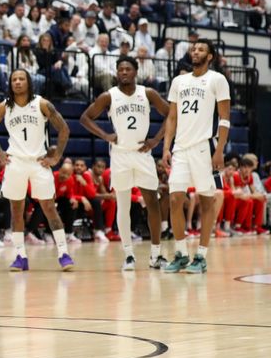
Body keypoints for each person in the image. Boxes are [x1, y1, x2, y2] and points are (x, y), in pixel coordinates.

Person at [80, 56, 170, 270]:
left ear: (135, 71)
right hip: (120, 155)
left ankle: (156, 255)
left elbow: (170, 114)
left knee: (153, 203)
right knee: (123, 204)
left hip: (142, 154)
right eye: (120, 69)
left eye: (128, 69)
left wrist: (156, 140)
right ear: (116, 72)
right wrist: (106, 135)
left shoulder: (147, 93)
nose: (124, 72)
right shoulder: (108, 96)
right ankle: (128, 255)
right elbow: (85, 118)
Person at [0, 69, 73, 271]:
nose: (17, 82)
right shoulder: (3, 107)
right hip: (15, 163)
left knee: (49, 208)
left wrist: (57, 156)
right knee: (16, 211)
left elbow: (64, 128)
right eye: (14, 79)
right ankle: (20, 256)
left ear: (28, 82)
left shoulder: (41, 104)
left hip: (38, 162)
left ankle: (64, 254)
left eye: (21, 79)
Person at [162, 39, 231, 274]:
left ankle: (201, 256)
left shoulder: (217, 80)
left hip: (204, 147)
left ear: (210, 56)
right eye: (194, 49)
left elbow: (224, 119)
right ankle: (181, 254)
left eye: (201, 49)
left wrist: (220, 150)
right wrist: (166, 147)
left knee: (206, 199)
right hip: (180, 147)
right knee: (174, 199)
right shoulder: (178, 81)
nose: (196, 52)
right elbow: (171, 118)